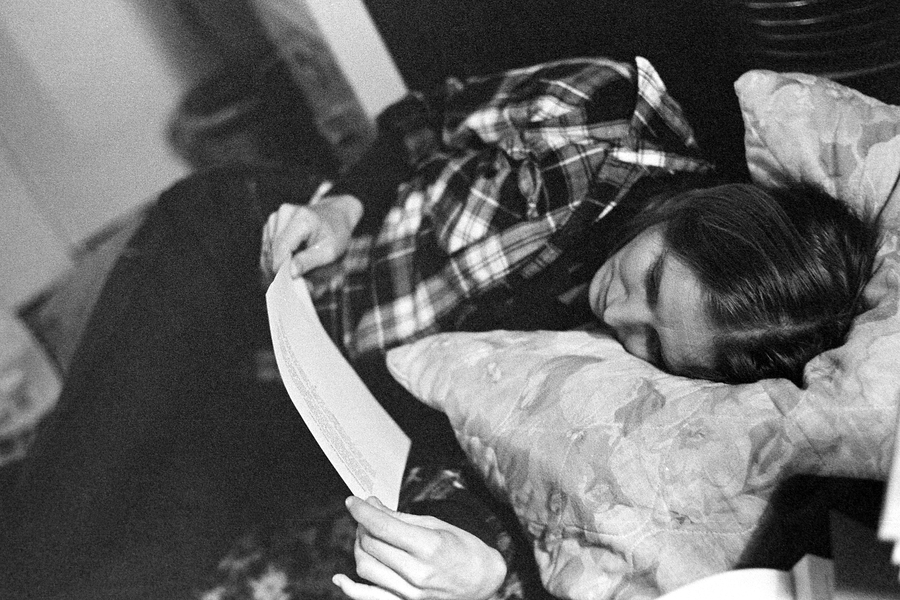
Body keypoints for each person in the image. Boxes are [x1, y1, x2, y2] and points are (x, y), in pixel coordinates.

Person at [0, 56, 877, 600]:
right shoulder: (601, 121)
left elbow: (490, 473)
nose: (619, 315)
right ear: (696, 206)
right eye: (649, 280)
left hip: (296, 409)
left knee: (120, 569)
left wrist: (482, 569)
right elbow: (422, 120)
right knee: (68, 499)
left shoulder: (608, 383)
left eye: (652, 340)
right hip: (251, 261)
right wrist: (343, 208)